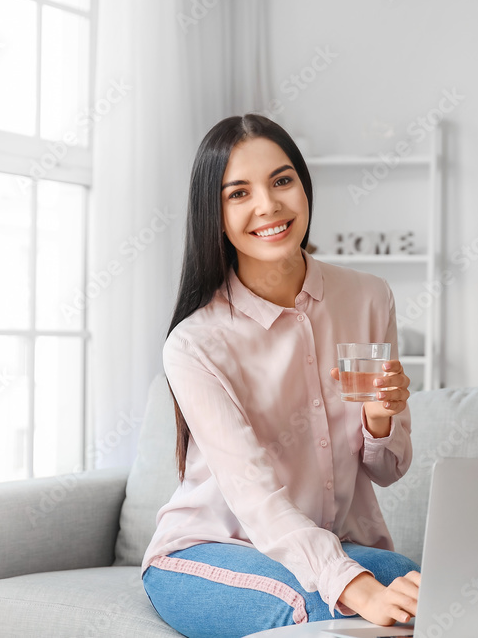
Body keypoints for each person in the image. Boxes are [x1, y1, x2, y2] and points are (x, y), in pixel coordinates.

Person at [140, 114, 422, 637]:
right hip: (208, 551)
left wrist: (381, 419)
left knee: (429, 594)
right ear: (215, 214)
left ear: (304, 186)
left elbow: (387, 470)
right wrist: (353, 586)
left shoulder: (367, 297)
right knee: (323, 609)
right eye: (238, 193)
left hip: (328, 542)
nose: (268, 206)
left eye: (282, 180)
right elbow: (256, 498)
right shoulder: (194, 343)